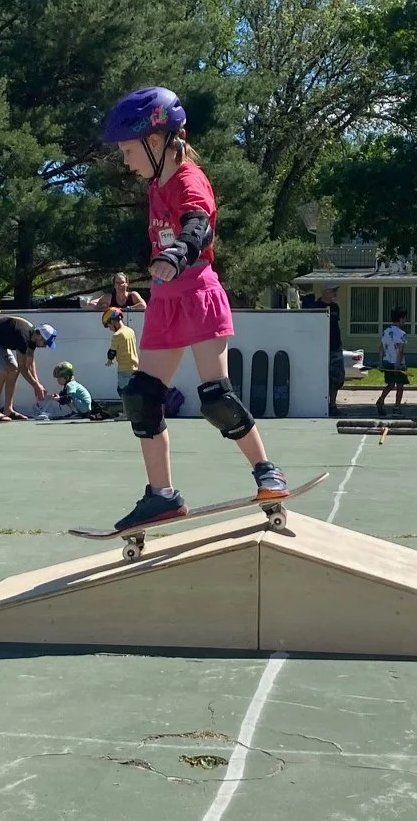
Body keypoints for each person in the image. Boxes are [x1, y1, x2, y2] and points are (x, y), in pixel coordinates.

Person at [101, 86, 288, 530]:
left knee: (215, 397)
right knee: (142, 397)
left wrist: (177, 253)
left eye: (129, 150)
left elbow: (197, 224)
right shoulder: (155, 185)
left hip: (198, 292)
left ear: (156, 139)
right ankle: (161, 496)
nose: (126, 160)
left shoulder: (189, 178)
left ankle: (267, 471)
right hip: (166, 300)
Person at [0, 314, 56, 421]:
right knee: (2, 371)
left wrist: (37, 384)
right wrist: (36, 386)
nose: (45, 346)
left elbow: (30, 363)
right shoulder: (23, 336)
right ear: (38, 335)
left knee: (14, 370)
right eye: (45, 342)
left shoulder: (32, 338)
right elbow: (23, 368)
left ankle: (8, 410)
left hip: (0, 342)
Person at [375, 306, 409, 416]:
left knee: (390, 384)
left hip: (387, 362)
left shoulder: (386, 331)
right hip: (398, 363)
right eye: (404, 318)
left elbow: (381, 348)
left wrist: (380, 363)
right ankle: (397, 407)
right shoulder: (402, 333)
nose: (405, 321)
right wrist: (398, 365)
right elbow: (401, 350)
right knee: (400, 385)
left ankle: (381, 400)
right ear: (400, 318)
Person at [103, 305, 139, 396]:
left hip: (124, 368)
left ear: (113, 321)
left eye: (109, 325)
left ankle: (127, 410)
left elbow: (112, 352)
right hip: (135, 367)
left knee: (123, 393)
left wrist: (109, 360)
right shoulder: (130, 331)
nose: (109, 329)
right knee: (133, 392)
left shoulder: (117, 335)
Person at [321, 284, 346, 417]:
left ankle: (333, 404)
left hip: (336, 347)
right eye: (333, 291)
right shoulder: (316, 307)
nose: (335, 293)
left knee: (337, 377)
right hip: (321, 347)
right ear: (326, 291)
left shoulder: (336, 307)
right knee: (323, 378)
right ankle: (323, 404)